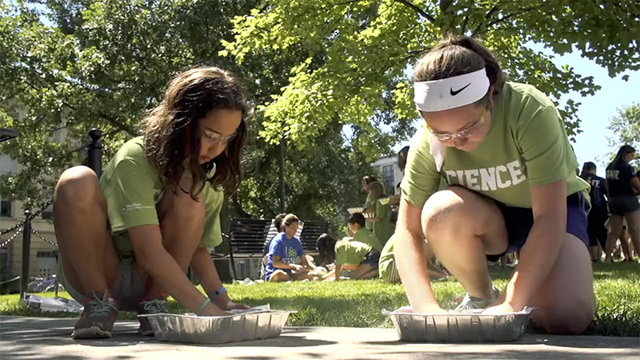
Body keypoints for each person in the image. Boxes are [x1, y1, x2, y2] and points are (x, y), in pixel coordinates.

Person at [395, 34, 595, 334]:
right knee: (439, 210)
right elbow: (408, 230)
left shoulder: (529, 110)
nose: (457, 141)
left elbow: (549, 217)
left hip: (551, 213)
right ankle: (481, 297)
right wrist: (425, 308)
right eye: (443, 134)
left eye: (469, 127)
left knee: (566, 316)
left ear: (491, 96)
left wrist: (512, 304)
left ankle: (509, 298)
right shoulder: (426, 141)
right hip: (488, 220)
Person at [53, 67, 251, 339]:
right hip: (99, 271)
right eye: (211, 135)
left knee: (190, 192)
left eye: (227, 139)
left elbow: (197, 250)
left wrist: (222, 300)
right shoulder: (135, 158)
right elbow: (148, 251)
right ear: (182, 121)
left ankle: (154, 306)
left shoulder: (204, 178)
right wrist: (204, 310)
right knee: (76, 180)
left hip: (153, 282)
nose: (217, 150)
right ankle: (99, 303)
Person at [604, 145, 640, 262]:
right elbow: (635, 183)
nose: (631, 158)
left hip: (614, 200)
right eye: (631, 155)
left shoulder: (610, 167)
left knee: (614, 231)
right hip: (628, 199)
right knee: (634, 229)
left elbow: (607, 185)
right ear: (626, 154)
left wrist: (610, 197)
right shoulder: (627, 168)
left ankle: (608, 257)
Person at [264, 214, 316, 282]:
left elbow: (304, 261)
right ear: (286, 226)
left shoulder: (297, 241)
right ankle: (289, 280)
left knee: (311, 275)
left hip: (291, 273)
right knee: (280, 274)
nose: (295, 231)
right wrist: (294, 266)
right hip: (275, 272)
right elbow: (275, 263)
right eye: (293, 228)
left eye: (296, 228)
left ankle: (290, 280)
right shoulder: (278, 240)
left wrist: (315, 269)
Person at [379, 235, 448, 283]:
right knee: (427, 243)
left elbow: (425, 264)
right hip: (390, 268)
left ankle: (440, 276)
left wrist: (441, 273)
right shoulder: (410, 235)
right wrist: (441, 275)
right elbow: (416, 266)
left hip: (394, 268)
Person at [580, 162, 609, 261]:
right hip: (600, 208)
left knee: (590, 233)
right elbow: (608, 193)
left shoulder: (580, 180)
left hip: (585, 209)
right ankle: (609, 256)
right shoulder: (601, 181)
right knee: (603, 233)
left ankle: (595, 258)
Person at [367, 181, 394, 247]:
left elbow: (379, 218)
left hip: (383, 229)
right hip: (382, 229)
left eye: (370, 191)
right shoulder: (379, 201)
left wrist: (368, 218)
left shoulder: (380, 201)